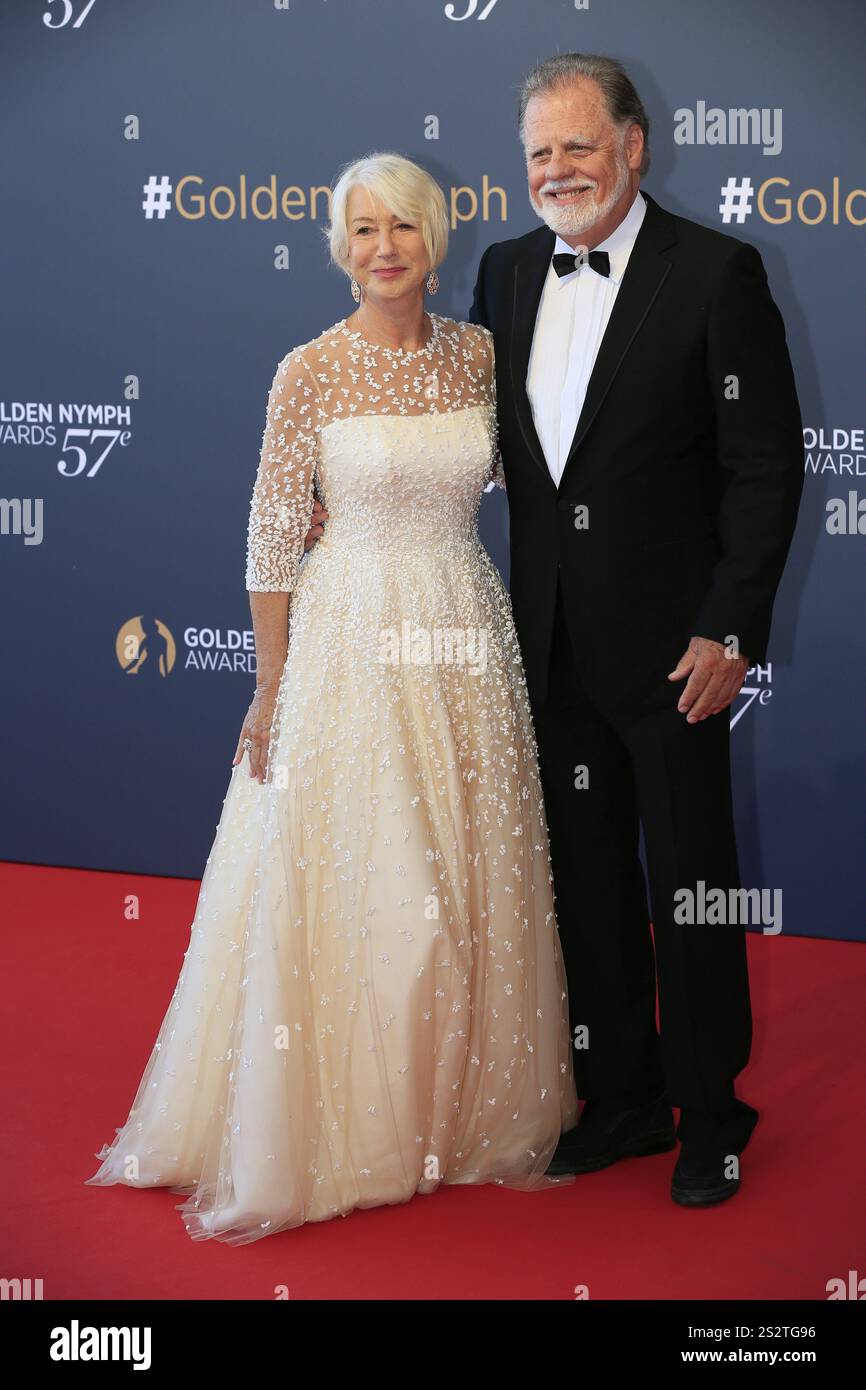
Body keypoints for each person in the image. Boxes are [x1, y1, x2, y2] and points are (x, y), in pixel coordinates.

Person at [85, 152, 578, 1245]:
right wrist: (269, 686)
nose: (382, 247)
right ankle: (354, 1129)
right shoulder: (305, 370)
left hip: (459, 629)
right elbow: (269, 533)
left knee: (464, 877)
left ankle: (451, 1116)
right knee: (382, 880)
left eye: (400, 226)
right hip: (348, 640)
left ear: (433, 237)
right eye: (360, 231)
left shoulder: (481, 356)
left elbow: (519, 480)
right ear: (338, 247)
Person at [464, 53, 804, 1206]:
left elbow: (762, 467)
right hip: (549, 644)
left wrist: (728, 627)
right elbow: (475, 442)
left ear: (633, 146)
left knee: (690, 885)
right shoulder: (506, 272)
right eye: (537, 153)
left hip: (674, 655)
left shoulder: (714, 272)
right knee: (587, 885)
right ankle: (619, 1097)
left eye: (575, 146)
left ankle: (712, 1111)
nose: (555, 170)